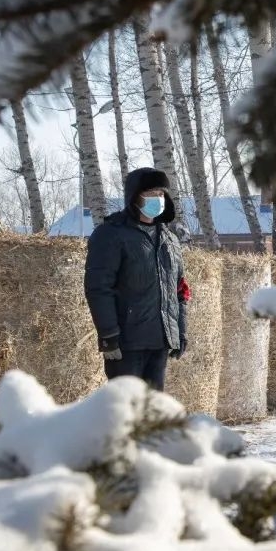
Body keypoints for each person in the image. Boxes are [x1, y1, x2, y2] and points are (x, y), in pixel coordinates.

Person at [84, 167, 189, 391]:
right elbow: (99, 287)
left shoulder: (169, 239)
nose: (158, 200)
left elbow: (179, 290)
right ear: (134, 197)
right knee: (126, 414)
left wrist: (180, 330)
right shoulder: (111, 234)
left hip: (159, 341)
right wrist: (108, 334)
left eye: (161, 195)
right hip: (126, 344)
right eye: (151, 195)